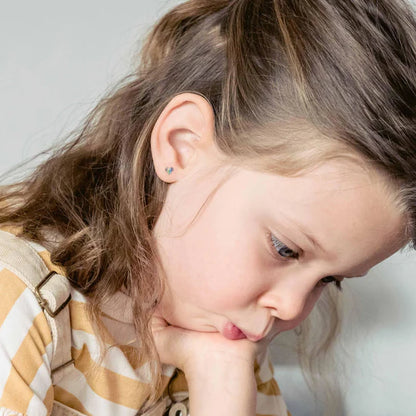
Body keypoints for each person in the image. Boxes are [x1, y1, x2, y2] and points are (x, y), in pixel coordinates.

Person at [0, 0, 415, 415]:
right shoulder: (20, 300)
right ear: (182, 146)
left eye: (330, 279)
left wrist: (219, 375)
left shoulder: (224, 334)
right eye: (284, 248)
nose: (292, 309)